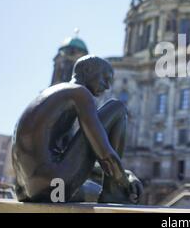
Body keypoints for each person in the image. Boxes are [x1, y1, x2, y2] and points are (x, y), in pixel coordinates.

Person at [12, 55, 142, 203]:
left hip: (30, 191)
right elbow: (102, 151)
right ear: (87, 70)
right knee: (117, 108)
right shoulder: (79, 93)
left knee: (93, 191)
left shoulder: (53, 93)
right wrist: (122, 181)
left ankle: (110, 190)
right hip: (54, 183)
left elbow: (79, 158)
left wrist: (125, 174)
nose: (107, 87)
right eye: (105, 79)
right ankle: (112, 192)